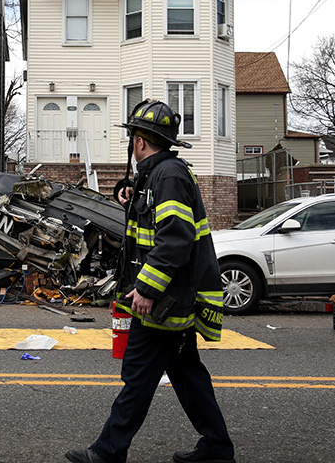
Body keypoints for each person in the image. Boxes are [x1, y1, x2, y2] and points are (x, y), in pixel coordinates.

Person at [65, 99, 234, 463]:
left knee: (139, 376)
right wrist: (128, 195)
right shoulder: (160, 175)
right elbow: (154, 224)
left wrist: (146, 289)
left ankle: (108, 452)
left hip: (163, 302)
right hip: (170, 298)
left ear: (139, 141)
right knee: (188, 376)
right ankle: (217, 448)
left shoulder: (168, 177)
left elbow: (175, 238)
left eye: (132, 139)